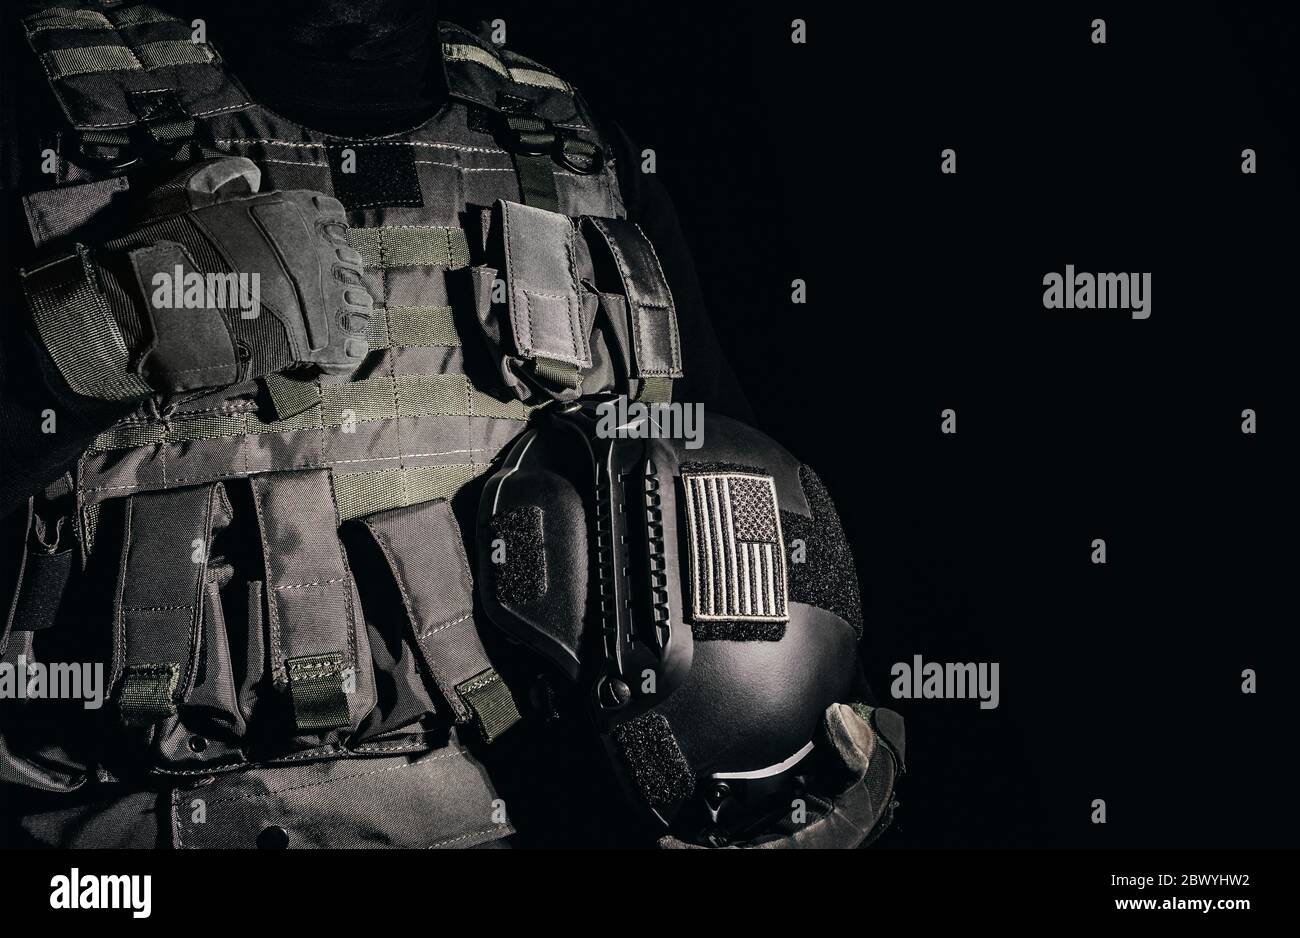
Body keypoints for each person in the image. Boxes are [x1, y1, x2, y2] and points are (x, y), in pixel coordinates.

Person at [0, 0, 901, 848]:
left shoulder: (575, 145)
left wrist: (807, 764)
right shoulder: (47, 101)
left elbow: (744, 504)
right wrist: (91, 330)